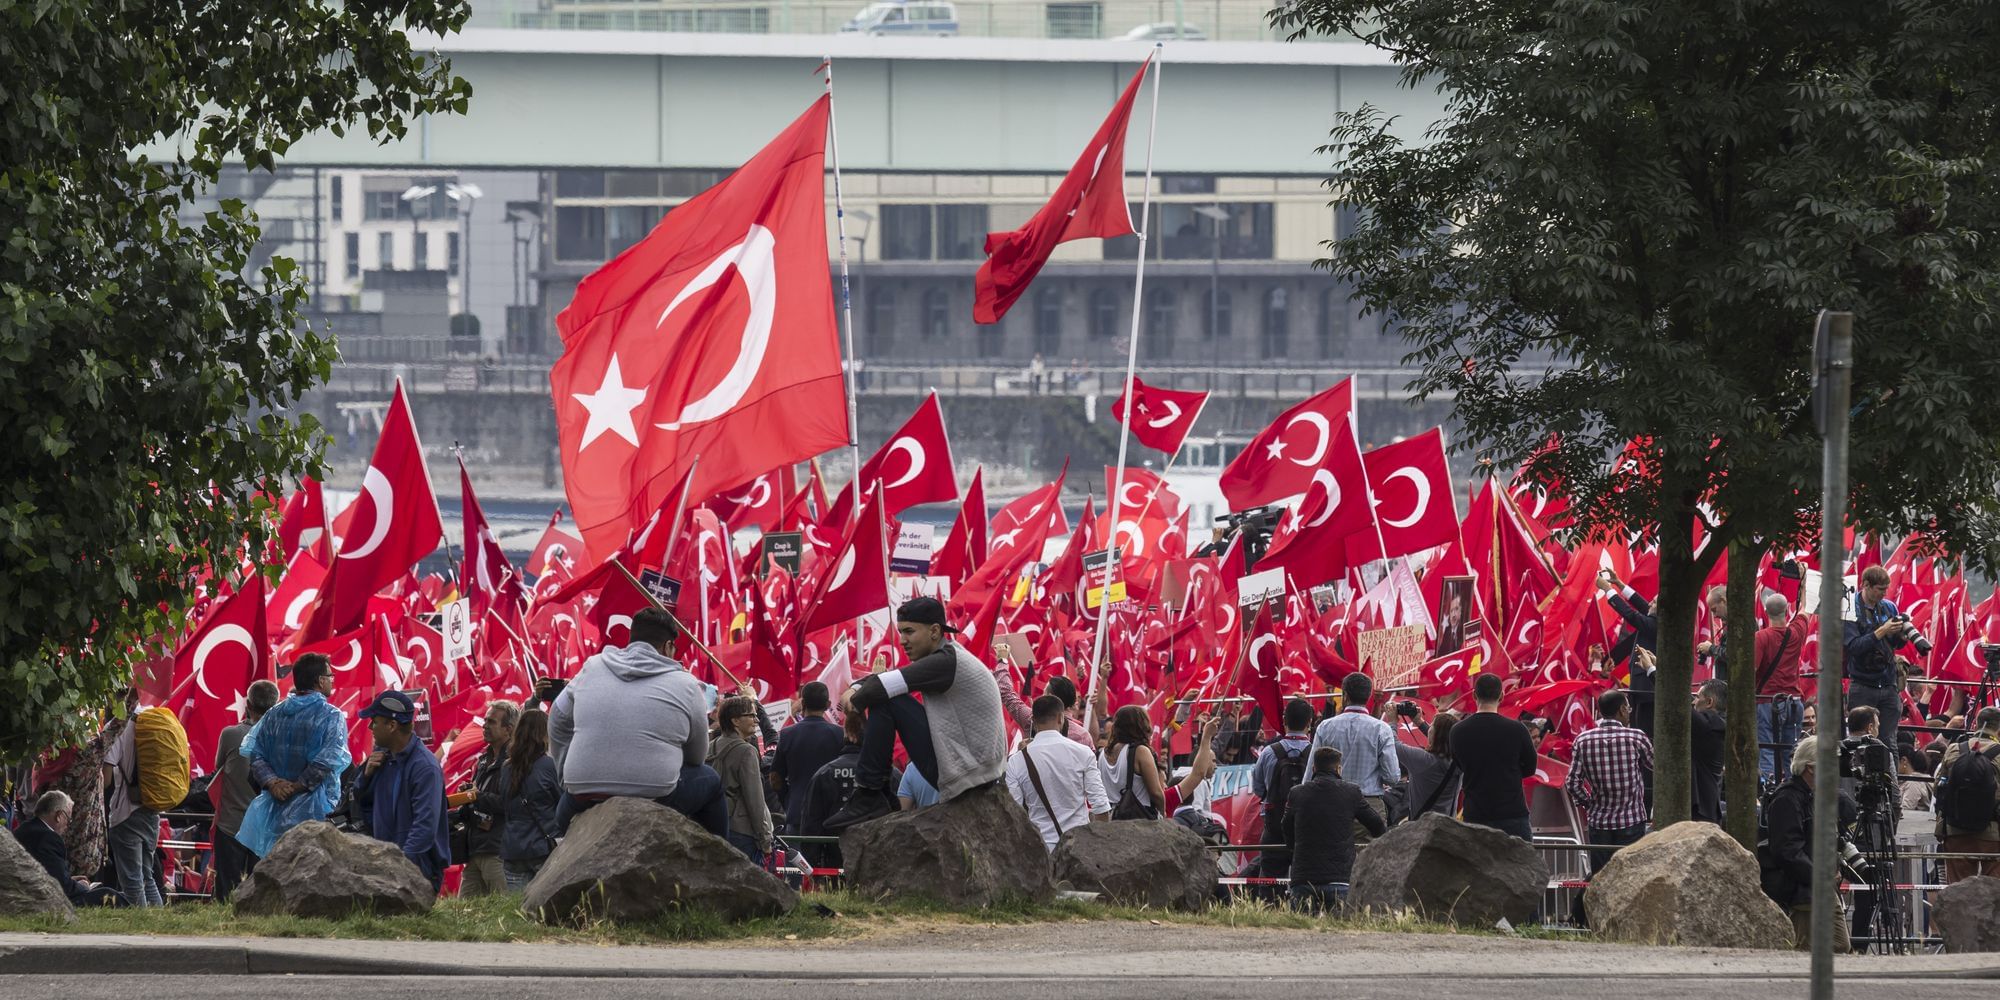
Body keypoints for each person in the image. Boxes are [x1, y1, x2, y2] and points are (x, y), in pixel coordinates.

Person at [826, 597, 1006, 829]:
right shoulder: (947, 657)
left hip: (967, 776)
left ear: (934, 631)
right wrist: (855, 689)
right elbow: (884, 680)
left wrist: (855, 704)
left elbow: (882, 686)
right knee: (886, 696)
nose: (902, 641)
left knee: (887, 701)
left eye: (909, 631)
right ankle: (873, 793)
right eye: (901, 632)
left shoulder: (947, 661)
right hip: (972, 772)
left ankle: (870, 794)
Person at [548, 608, 728, 838]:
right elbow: (696, 757)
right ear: (668, 647)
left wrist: (565, 770)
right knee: (710, 780)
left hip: (583, 791)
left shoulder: (591, 667)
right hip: (657, 794)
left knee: (561, 825)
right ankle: (717, 866)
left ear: (632, 638)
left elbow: (557, 717)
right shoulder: (686, 683)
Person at [237, 654, 353, 859]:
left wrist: (274, 784)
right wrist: (296, 787)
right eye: (330, 675)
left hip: (274, 813)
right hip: (315, 814)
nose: (333, 679)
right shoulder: (332, 716)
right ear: (320, 680)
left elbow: (256, 754)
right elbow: (327, 761)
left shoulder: (274, 713)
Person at [354, 690, 450, 891]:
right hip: (387, 864)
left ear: (392, 725)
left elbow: (424, 827)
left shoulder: (425, 767)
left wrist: (400, 865)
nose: (370, 726)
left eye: (375, 721)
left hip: (415, 871)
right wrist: (365, 777)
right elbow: (361, 804)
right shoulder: (381, 758)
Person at [1761, 734, 1848, 951]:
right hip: (1804, 891)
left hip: (1815, 887)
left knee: (1837, 945)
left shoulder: (1809, 796)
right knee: (1808, 949)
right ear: (1811, 767)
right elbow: (1786, 849)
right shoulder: (1788, 799)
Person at [1283, 746, 1386, 914]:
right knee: (1340, 934)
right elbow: (1377, 825)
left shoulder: (1297, 793)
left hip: (1303, 877)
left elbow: (1286, 826)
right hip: (1340, 878)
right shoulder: (1351, 792)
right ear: (1339, 768)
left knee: (1299, 931)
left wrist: (1293, 848)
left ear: (1314, 768)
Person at [798, 708, 901, 869]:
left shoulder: (824, 774)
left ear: (847, 736)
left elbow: (811, 825)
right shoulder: (892, 774)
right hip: (881, 862)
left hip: (836, 861)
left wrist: (813, 870)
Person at [1566, 689, 1654, 876]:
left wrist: (1590, 804)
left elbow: (1572, 783)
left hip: (1599, 823)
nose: (1629, 712)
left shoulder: (1582, 740)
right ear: (1622, 709)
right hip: (1632, 821)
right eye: (1628, 708)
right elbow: (1659, 767)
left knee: (1600, 879)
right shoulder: (1636, 737)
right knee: (1630, 877)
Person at [1006, 695, 1110, 850]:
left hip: (1040, 849)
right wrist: (1096, 847)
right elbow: (1101, 807)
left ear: (1033, 720)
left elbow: (1014, 812)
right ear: (1061, 718)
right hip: (1078, 849)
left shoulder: (1016, 761)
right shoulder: (1083, 753)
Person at [1305, 672, 1399, 841]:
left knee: (1333, 860)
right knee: (1367, 864)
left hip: (1331, 804)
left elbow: (1310, 775)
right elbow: (1392, 777)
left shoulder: (1325, 727)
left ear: (1345, 695)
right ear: (1368, 695)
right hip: (1369, 809)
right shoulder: (1381, 729)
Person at [211, 679, 280, 901]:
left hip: (232, 824)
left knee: (226, 891)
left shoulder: (231, 734)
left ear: (247, 706)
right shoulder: (282, 738)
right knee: (260, 892)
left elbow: (218, 768)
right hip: (266, 826)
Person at [1451, 673, 1540, 839]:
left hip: (1475, 813)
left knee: (1477, 864)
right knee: (1519, 863)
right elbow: (1530, 768)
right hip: (1512, 813)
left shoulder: (1457, 731)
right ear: (1502, 695)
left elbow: (1459, 764)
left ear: (1474, 695)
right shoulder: (1517, 729)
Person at [100, 689, 163, 908]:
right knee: (148, 875)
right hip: (153, 807)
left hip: (126, 811)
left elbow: (105, 780)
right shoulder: (151, 717)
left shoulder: (118, 727)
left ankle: (143, 929)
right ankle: (160, 926)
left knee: (132, 880)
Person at [13, 791, 124, 907]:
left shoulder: (23, 829)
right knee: (108, 894)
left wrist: (70, 879)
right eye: (68, 818)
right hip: (42, 900)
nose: (68, 825)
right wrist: (83, 886)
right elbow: (63, 887)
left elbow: (50, 875)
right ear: (59, 816)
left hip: (25, 892)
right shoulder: (49, 838)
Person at [457, 698, 520, 897]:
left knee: (504, 913)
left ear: (508, 729)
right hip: (476, 847)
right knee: (463, 915)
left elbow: (509, 803)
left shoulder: (515, 761)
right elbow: (480, 795)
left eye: (491, 722)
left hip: (498, 850)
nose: (484, 725)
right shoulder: (484, 759)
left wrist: (476, 796)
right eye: (485, 720)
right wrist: (468, 794)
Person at [1844, 565, 1909, 754]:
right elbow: (1854, 647)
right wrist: (1882, 631)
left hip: (1888, 683)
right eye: (1880, 589)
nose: (1884, 593)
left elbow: (1895, 645)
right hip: (1863, 684)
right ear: (1865, 585)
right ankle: (1858, 783)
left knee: (1889, 743)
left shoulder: (1889, 607)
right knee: (1859, 741)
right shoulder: (1850, 609)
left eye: (1886, 589)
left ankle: (1891, 783)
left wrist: (1901, 636)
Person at [1251, 698, 1317, 883]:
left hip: (1274, 826)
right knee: (1306, 881)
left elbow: (1258, 788)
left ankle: (1269, 908)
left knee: (1270, 879)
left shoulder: (1268, 752)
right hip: (1307, 826)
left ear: (1284, 720)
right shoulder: (1316, 753)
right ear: (1309, 723)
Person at [1933, 706, 2000, 883]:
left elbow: (1938, 789)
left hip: (1956, 829)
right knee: (1994, 891)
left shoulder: (1954, 749)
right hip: (1993, 834)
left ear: (1976, 725)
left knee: (1958, 889)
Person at [497, 708, 561, 891]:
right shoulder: (549, 765)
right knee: (547, 907)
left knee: (518, 910)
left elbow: (505, 805)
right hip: (542, 846)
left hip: (513, 848)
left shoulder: (506, 767)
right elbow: (562, 802)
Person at [772, 681, 844, 834]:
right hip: (834, 814)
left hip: (798, 812)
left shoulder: (787, 734)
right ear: (828, 704)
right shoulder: (840, 734)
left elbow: (775, 777)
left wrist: (788, 799)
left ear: (803, 703)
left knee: (798, 859)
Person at [711, 696, 774, 866]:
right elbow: (755, 801)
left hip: (714, 824)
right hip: (743, 832)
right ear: (736, 721)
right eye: (751, 715)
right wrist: (765, 840)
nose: (757, 719)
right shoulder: (747, 751)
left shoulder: (711, 745)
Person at [1755, 591, 1811, 779]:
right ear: (1787, 610)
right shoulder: (1796, 632)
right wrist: (1802, 585)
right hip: (1794, 702)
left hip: (1767, 703)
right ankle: (1790, 790)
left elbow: (1753, 668)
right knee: (1790, 753)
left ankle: (1770, 792)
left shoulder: (1761, 637)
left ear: (1765, 611)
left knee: (1767, 751)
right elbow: (1805, 610)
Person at [993, 644, 1092, 749]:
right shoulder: (1083, 736)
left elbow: (1006, 692)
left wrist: (1003, 660)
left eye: (1044, 693)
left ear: (1049, 698)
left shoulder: (1030, 719)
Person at [1599, 572, 1658, 735]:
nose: (1650, 603)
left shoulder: (1656, 625)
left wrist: (1607, 590)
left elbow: (1631, 615)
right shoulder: (1657, 618)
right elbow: (1642, 605)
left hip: (1646, 692)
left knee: (1644, 732)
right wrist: (1619, 584)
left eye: (1654, 602)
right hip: (1642, 689)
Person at [1101, 706, 1165, 819]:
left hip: (1111, 817)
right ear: (1142, 725)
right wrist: (1163, 813)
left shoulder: (1103, 753)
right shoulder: (1140, 751)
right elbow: (1156, 792)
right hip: (1139, 818)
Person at [1403, 711, 1462, 820]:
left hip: (1421, 828)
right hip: (1447, 826)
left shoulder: (1423, 759)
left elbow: (1393, 744)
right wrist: (1419, 722)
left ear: (1434, 732)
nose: (1429, 727)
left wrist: (1392, 721)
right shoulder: (1459, 761)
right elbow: (1443, 739)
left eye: (1431, 725)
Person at [1691, 680, 1727, 824]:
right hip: (1707, 804)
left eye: (1697, 697)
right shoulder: (1717, 722)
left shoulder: (1710, 725)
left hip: (1702, 808)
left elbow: (1678, 703)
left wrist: (1652, 671)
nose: (1694, 702)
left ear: (1709, 702)